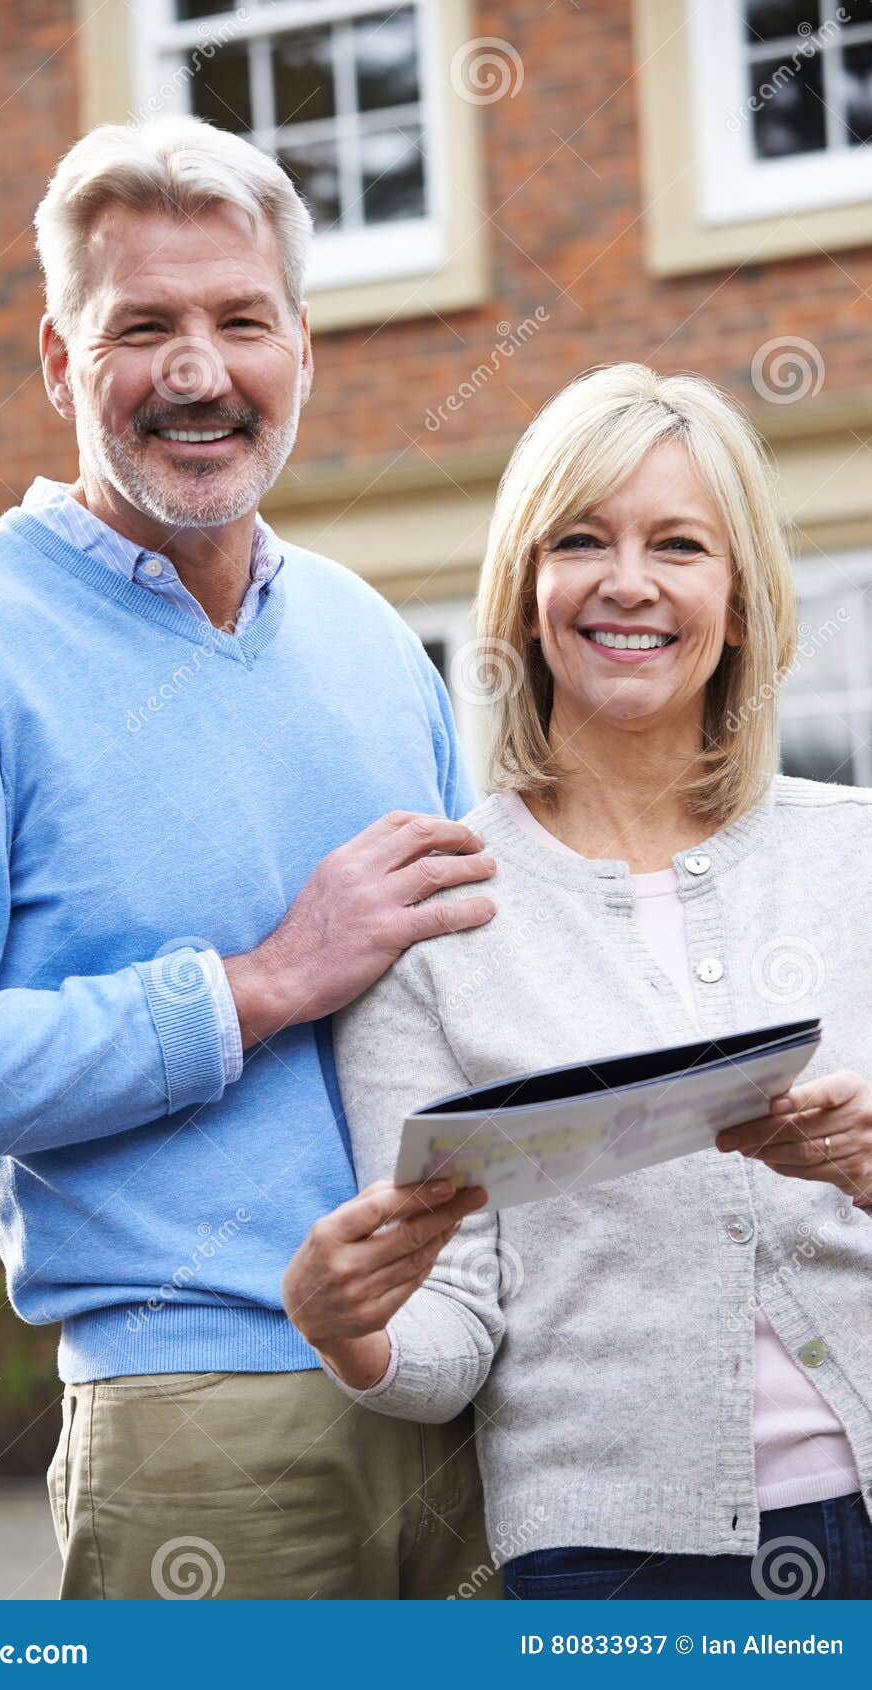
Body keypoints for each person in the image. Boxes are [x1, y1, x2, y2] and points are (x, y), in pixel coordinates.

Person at [0, 115, 500, 1600]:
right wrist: (253, 985)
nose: (198, 371)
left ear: (300, 349)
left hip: (461, 1377)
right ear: (62, 362)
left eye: (240, 321)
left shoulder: (377, 642)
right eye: (144, 328)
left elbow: (472, 1008)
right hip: (203, 1419)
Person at [283, 362, 872, 1600]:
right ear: (528, 591)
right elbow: (453, 1324)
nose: (629, 581)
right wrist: (353, 1330)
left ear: (744, 599)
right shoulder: (436, 920)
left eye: (680, 544)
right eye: (583, 539)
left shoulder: (856, 853)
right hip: (616, 1559)